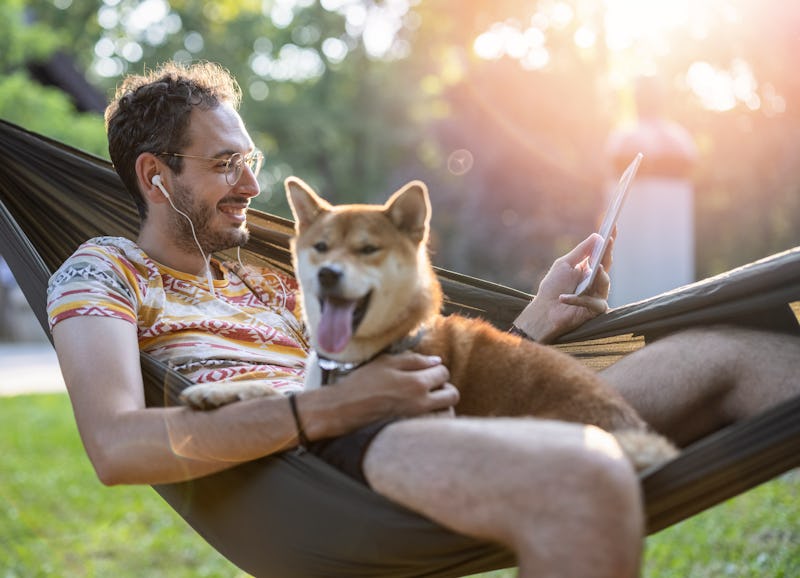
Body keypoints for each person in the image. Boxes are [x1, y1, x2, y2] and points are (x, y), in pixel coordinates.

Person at [46, 62, 800, 578]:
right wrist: (334, 406)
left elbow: (414, 363)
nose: (252, 182)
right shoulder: (102, 272)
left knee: (738, 351)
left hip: (416, 415)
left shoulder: (268, 275)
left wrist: (537, 319)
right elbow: (115, 446)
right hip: (321, 468)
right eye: (224, 165)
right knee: (584, 480)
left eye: (251, 159)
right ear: (156, 175)